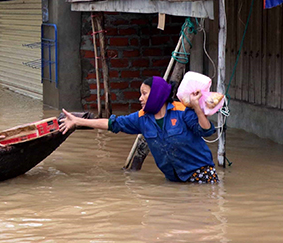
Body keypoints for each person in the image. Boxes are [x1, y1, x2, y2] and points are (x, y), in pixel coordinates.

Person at [59, 76, 218, 183]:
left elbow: (206, 130)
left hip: (201, 177)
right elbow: (112, 124)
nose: (140, 98)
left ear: (156, 94)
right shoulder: (142, 118)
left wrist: (197, 107)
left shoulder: (182, 111)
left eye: (144, 94)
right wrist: (78, 121)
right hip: (174, 181)